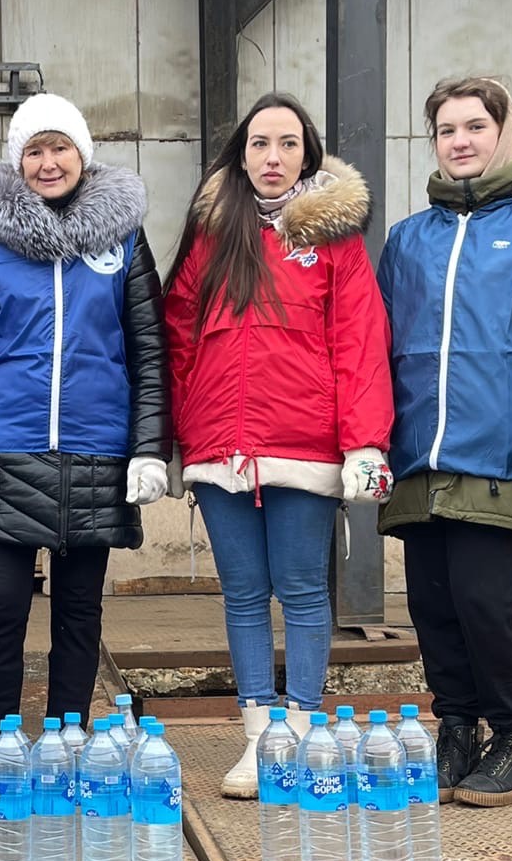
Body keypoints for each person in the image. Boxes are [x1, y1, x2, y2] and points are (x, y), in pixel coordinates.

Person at [163, 92, 394, 798]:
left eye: (287, 144)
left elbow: (359, 339)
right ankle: (258, 738)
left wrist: (365, 443)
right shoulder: (211, 234)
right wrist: (175, 435)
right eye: (259, 143)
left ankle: (300, 727)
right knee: (241, 593)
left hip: (303, 442)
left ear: (308, 154)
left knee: (300, 590)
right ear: (240, 154)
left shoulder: (334, 240)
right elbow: (179, 335)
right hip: (220, 449)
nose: (272, 157)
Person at [377, 77, 512, 807]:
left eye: (475, 125)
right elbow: (373, 346)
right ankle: (457, 727)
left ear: (504, 132)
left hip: (505, 457)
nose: (461, 140)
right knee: (432, 605)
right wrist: (371, 440)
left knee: (484, 600)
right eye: (447, 129)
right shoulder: (408, 240)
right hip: (419, 460)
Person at [0, 94, 169, 729]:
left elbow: (149, 346)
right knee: (2, 606)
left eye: (59, 146)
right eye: (33, 150)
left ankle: (68, 738)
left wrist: (149, 446)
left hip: (98, 449)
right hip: (5, 450)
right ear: (18, 162)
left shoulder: (124, 241)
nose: (47, 162)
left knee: (79, 610)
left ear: (83, 156)